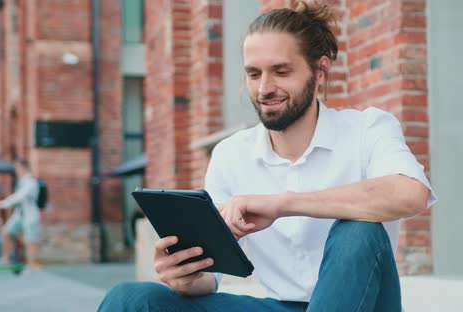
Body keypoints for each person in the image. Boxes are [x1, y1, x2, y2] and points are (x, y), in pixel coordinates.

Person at [99, 1, 436, 311]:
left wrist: (282, 204)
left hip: (367, 303)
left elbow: (411, 194)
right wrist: (186, 275)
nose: (264, 89)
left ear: (320, 72)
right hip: (280, 306)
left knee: (358, 231)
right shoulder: (231, 155)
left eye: (281, 71)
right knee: (129, 299)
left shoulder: (368, 129)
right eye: (254, 73)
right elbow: (209, 279)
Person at [0, 158, 43, 270]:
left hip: (30, 215)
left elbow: (19, 197)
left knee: (30, 239)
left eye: (17, 168)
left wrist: (2, 204)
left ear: (23, 168)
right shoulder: (22, 181)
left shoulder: (31, 182)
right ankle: (5, 258)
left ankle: (31, 264)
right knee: (6, 232)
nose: (16, 170)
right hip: (19, 214)